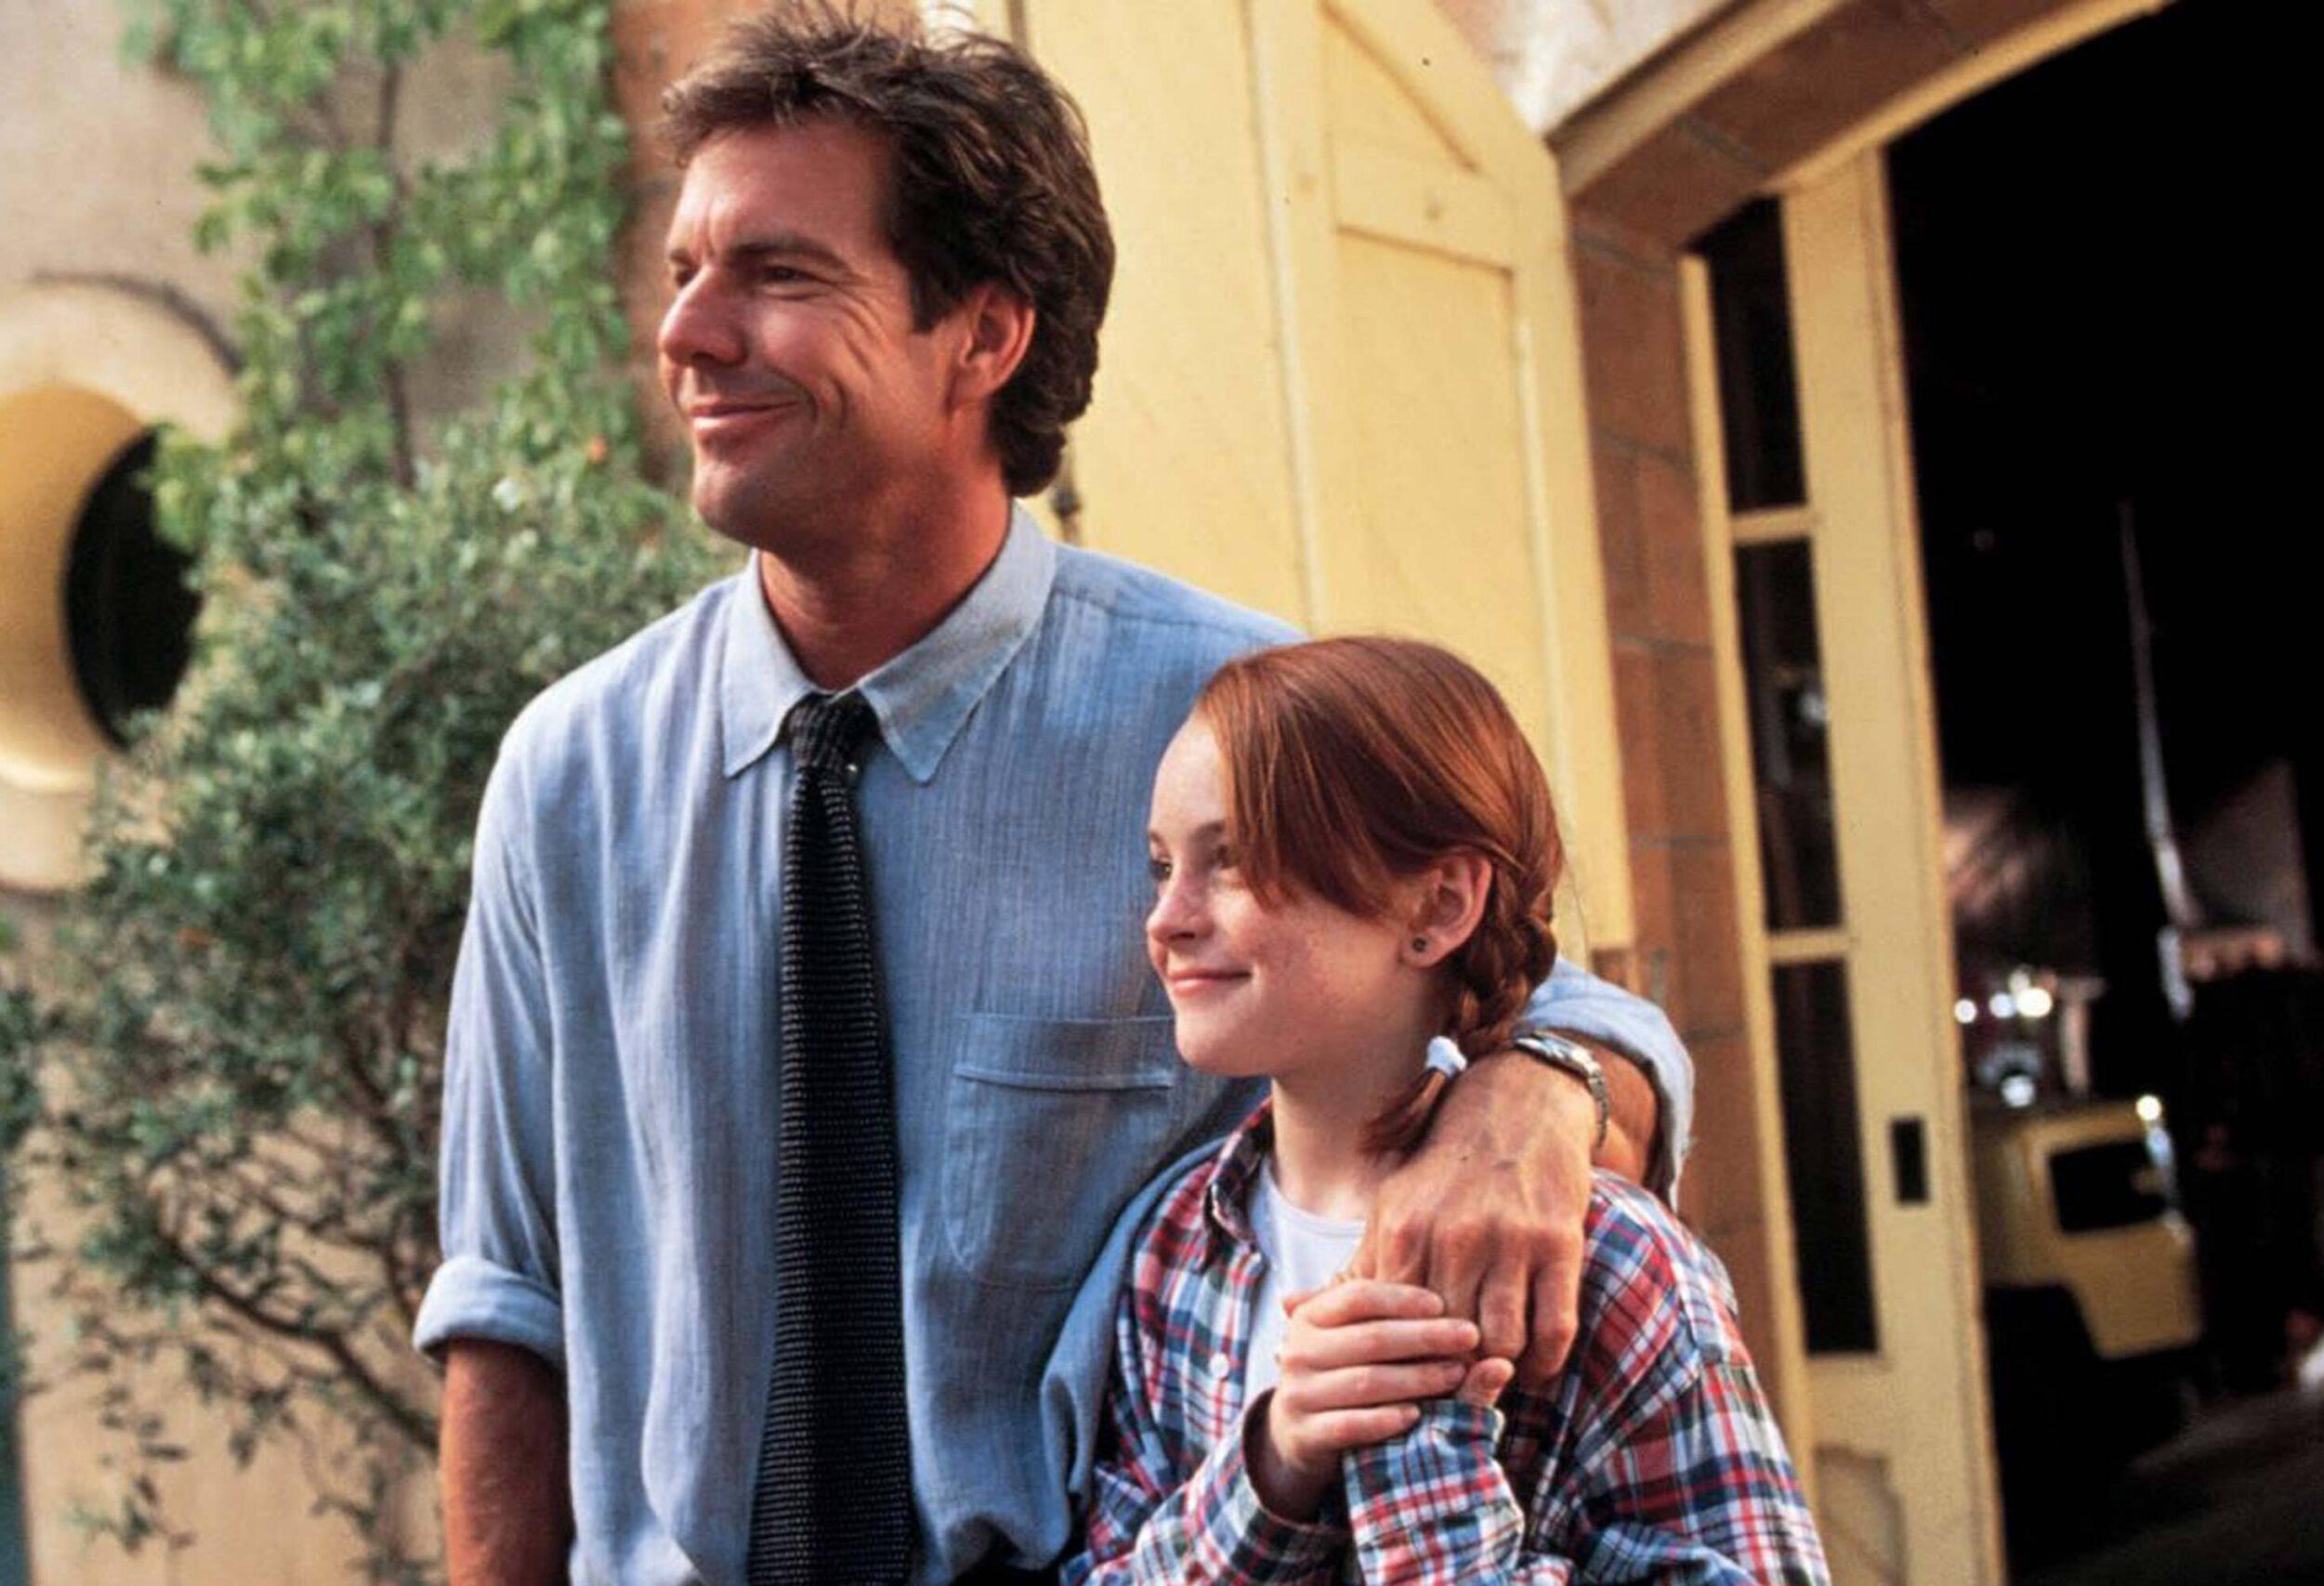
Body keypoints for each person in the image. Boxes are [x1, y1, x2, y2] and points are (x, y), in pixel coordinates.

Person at [415, 7, 1698, 1585]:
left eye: (778, 273)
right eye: (685, 270)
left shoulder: (1228, 723)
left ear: (984, 336)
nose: (687, 331)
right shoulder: (569, 774)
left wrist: (1533, 1091)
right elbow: (507, 1304)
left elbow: (1567, 1013)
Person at [1073, 636, 1824, 1584]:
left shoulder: (1614, 1263)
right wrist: (1272, 1463)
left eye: (1232, 861)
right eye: (1160, 866)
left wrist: (1418, 1456)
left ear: (1438, 903)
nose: (1167, 917)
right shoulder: (1176, 1249)